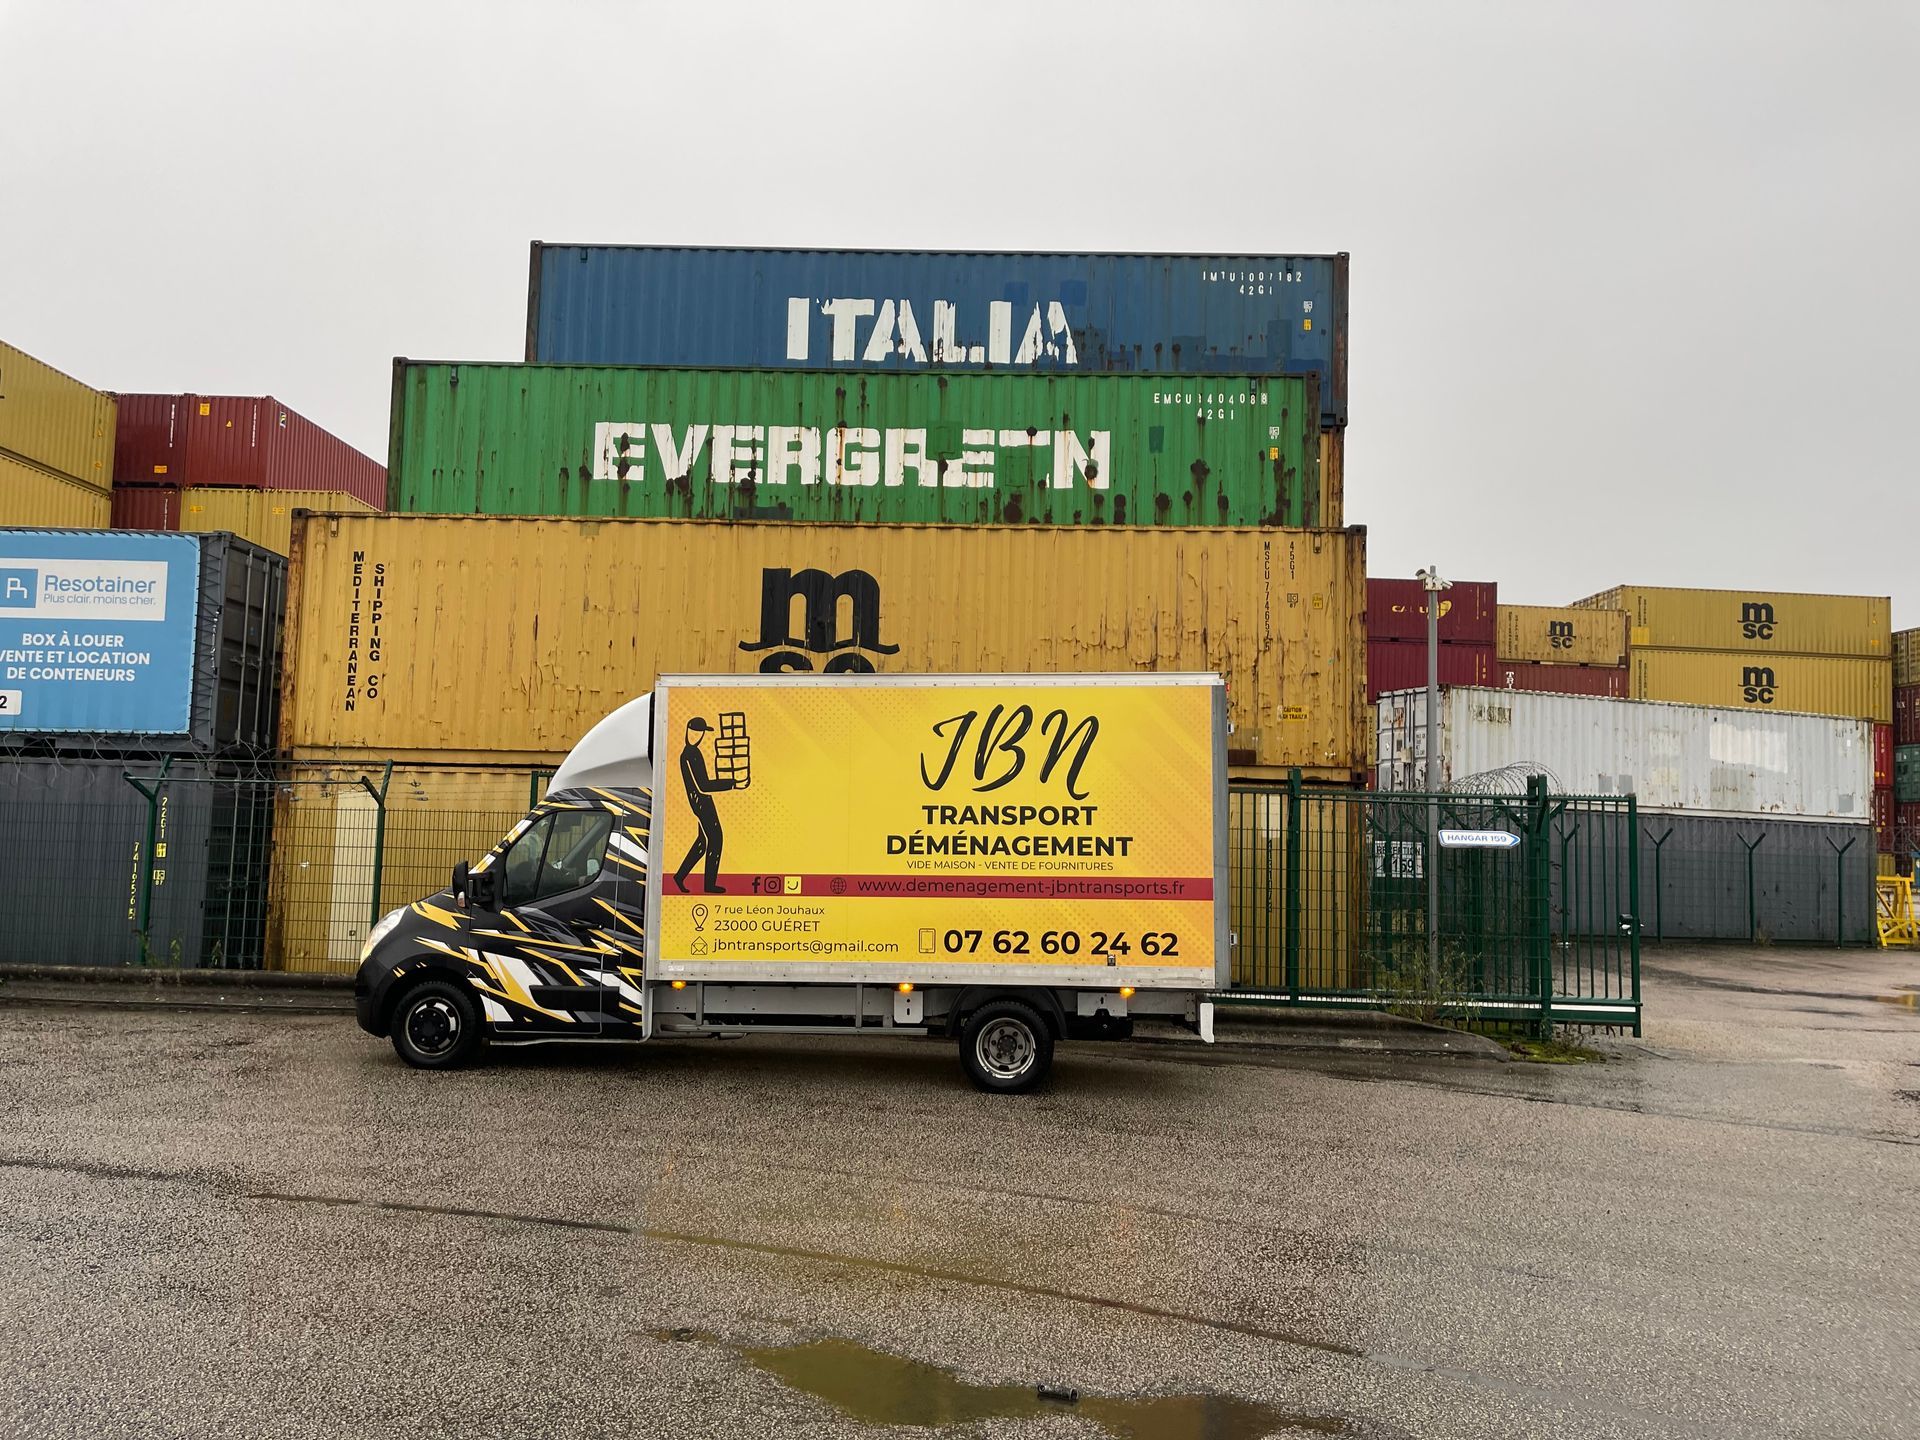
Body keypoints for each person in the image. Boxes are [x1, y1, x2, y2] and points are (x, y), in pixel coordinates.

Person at [673, 717, 735, 893]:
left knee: (702, 842)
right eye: (693, 732)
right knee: (716, 839)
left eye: (699, 733)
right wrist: (731, 783)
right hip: (701, 801)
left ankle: (679, 876)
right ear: (687, 732)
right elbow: (703, 785)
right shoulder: (690, 754)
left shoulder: (692, 752)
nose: (696, 736)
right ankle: (709, 885)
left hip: (699, 800)